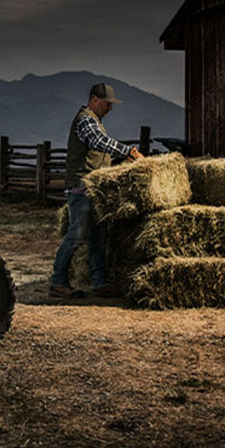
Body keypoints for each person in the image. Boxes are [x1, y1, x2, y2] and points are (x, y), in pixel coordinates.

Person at [50, 83, 144, 298]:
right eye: (107, 104)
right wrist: (127, 151)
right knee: (77, 235)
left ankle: (99, 282)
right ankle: (57, 281)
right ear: (94, 100)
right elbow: (98, 142)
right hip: (81, 187)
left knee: (97, 237)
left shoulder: (96, 121)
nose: (110, 109)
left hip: (94, 190)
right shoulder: (86, 120)